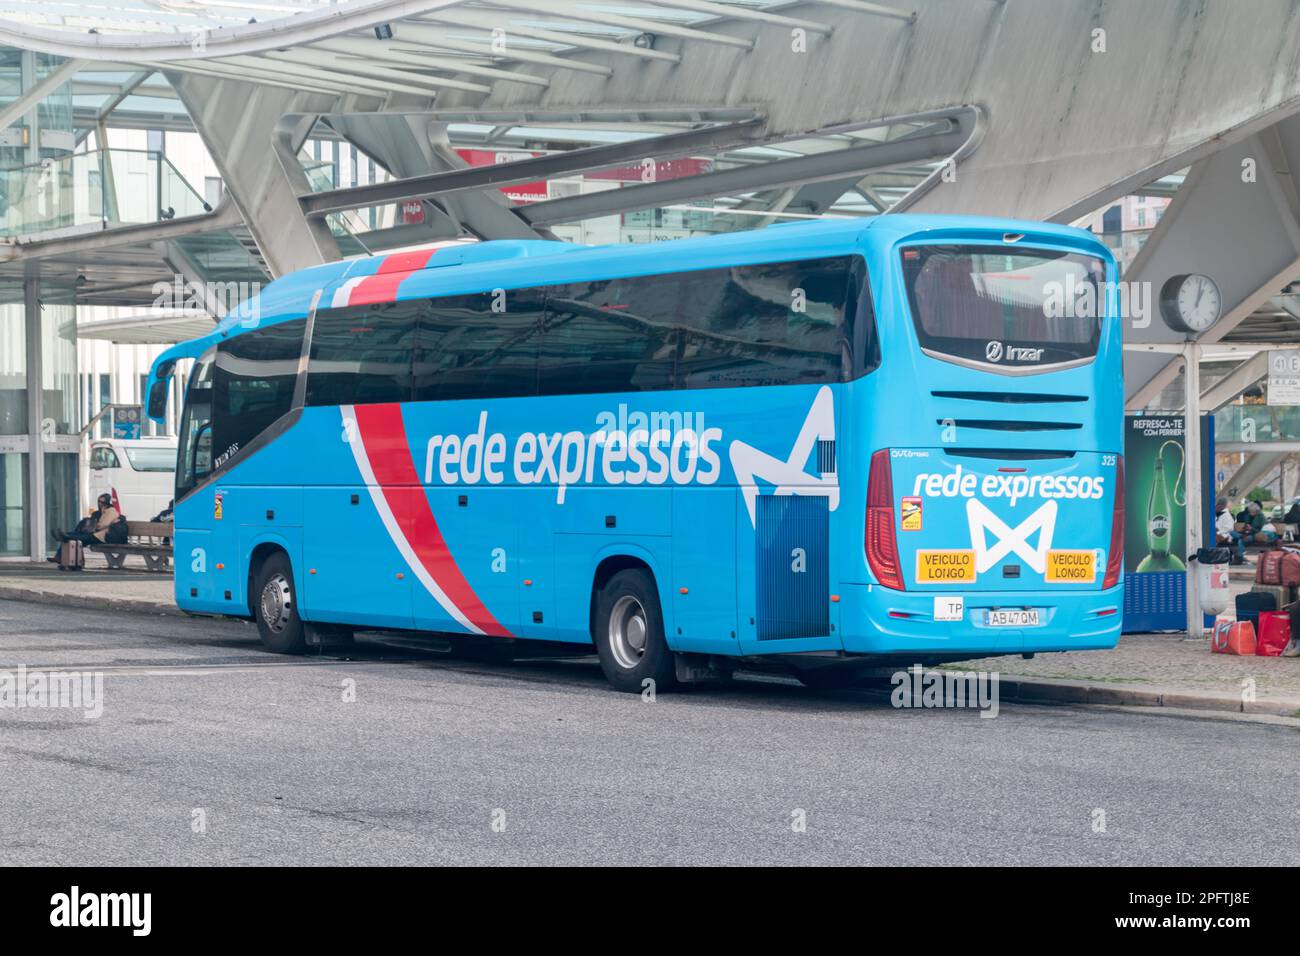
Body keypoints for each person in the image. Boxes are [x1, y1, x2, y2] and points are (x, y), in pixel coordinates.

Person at [1215, 497, 1247, 564]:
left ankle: (1238, 556)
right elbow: (1228, 528)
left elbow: (1227, 528)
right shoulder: (1225, 515)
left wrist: (1218, 531)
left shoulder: (1223, 515)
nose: (1231, 508)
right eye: (1230, 506)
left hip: (1222, 535)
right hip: (1222, 535)